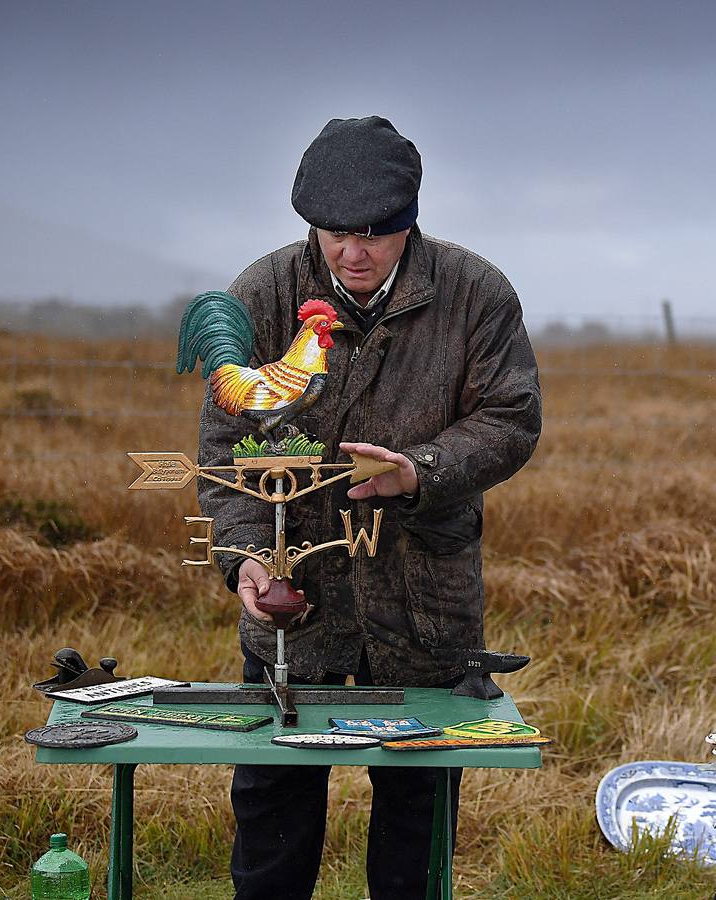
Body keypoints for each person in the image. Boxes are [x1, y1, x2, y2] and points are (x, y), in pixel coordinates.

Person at [196, 116, 542, 900]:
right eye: (332, 233)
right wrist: (246, 555)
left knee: (417, 824)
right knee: (272, 807)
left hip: (426, 601)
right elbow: (226, 448)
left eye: (373, 235)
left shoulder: (475, 292)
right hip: (296, 609)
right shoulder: (260, 293)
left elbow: (512, 418)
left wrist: (420, 472)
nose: (351, 252)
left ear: (408, 221)